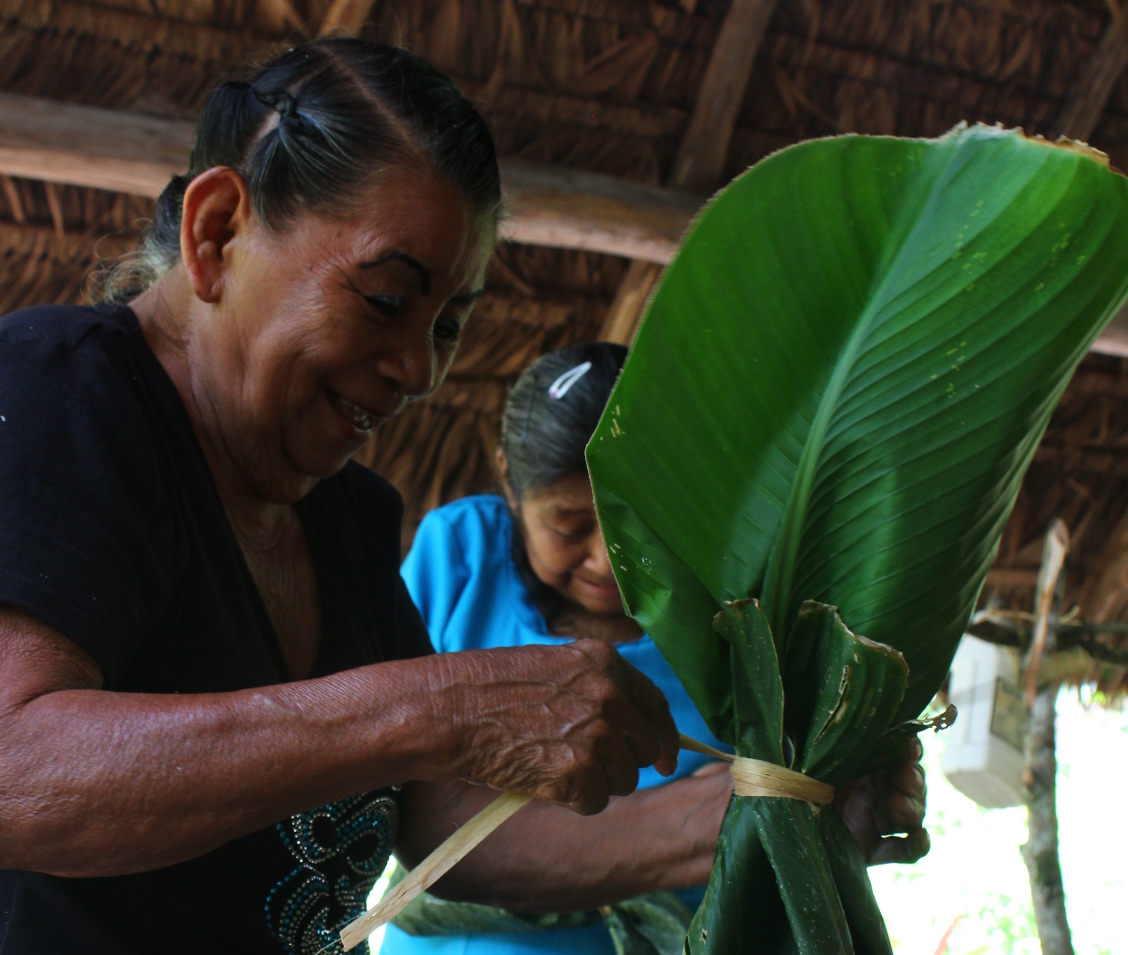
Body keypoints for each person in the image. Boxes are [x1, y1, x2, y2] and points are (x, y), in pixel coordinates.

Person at [0, 39, 684, 955]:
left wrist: (750, 806)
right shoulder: (60, 390)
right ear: (216, 233)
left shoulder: (344, 516)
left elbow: (454, 821)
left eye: (447, 323)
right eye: (385, 298)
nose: (419, 370)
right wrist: (439, 709)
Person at [380, 343, 931, 955]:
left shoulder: (745, 608)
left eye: (636, 528)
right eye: (567, 526)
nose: (604, 562)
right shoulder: (460, 556)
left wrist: (842, 811)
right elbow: (403, 782)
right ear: (509, 478)